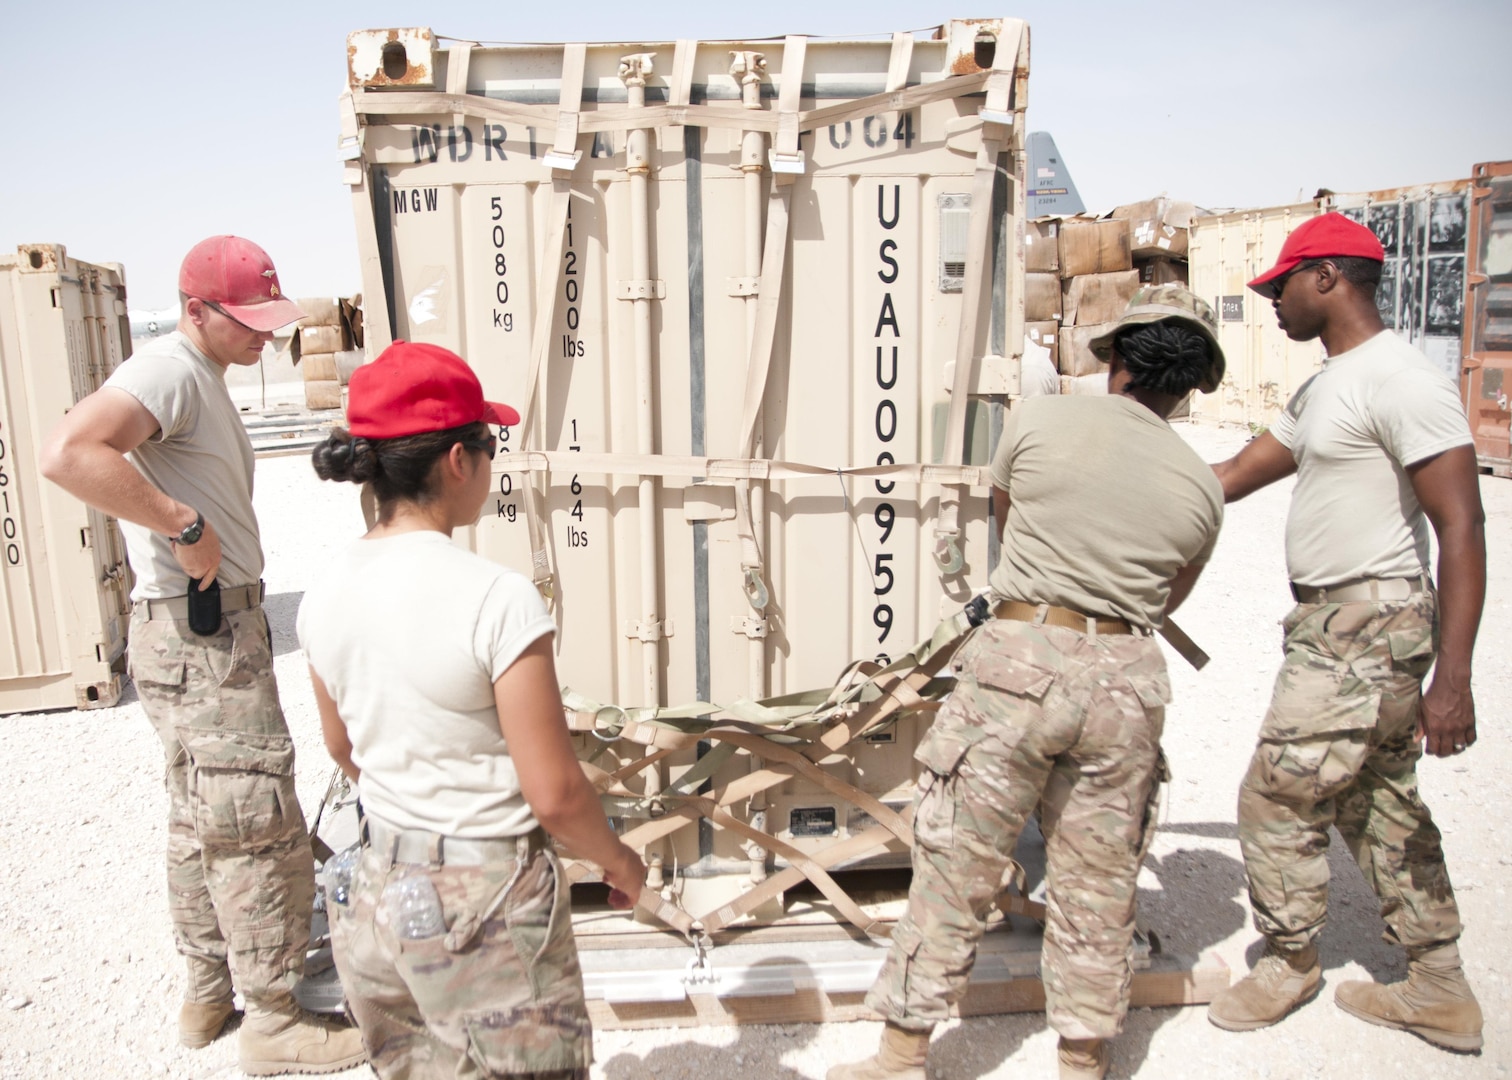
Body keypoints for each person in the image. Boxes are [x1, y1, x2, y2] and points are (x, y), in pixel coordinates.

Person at [829, 286, 1227, 1080]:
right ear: (1187, 389)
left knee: (957, 864)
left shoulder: (1041, 421)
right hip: (1126, 683)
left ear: (1115, 358)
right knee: (1098, 879)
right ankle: (1083, 1061)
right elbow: (1164, 597)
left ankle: (903, 1053)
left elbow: (1006, 514)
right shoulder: (1202, 487)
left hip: (1019, 660)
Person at [39, 236, 366, 1073]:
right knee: (252, 817)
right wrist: (179, 524)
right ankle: (273, 1019)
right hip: (202, 630)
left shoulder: (199, 376)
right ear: (196, 311)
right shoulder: (170, 370)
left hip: (193, 630)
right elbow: (70, 453)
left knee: (201, 815)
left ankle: (208, 989)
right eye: (249, 321)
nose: (266, 336)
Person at [298, 341, 647, 1078]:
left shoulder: (325, 590)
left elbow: (341, 747)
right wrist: (621, 862)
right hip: (483, 909)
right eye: (489, 447)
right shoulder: (495, 597)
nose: (492, 465)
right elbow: (553, 793)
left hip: (377, 900)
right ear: (458, 461)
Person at [1206, 212, 1485, 1051]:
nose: (1272, 303)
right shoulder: (1326, 385)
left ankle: (1289, 961)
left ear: (1327, 277)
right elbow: (1233, 475)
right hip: (1336, 622)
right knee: (1378, 799)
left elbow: (1463, 526)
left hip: (1368, 624)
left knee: (1277, 792)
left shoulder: (1402, 379)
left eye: (1280, 285)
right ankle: (1439, 988)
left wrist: (1455, 681)